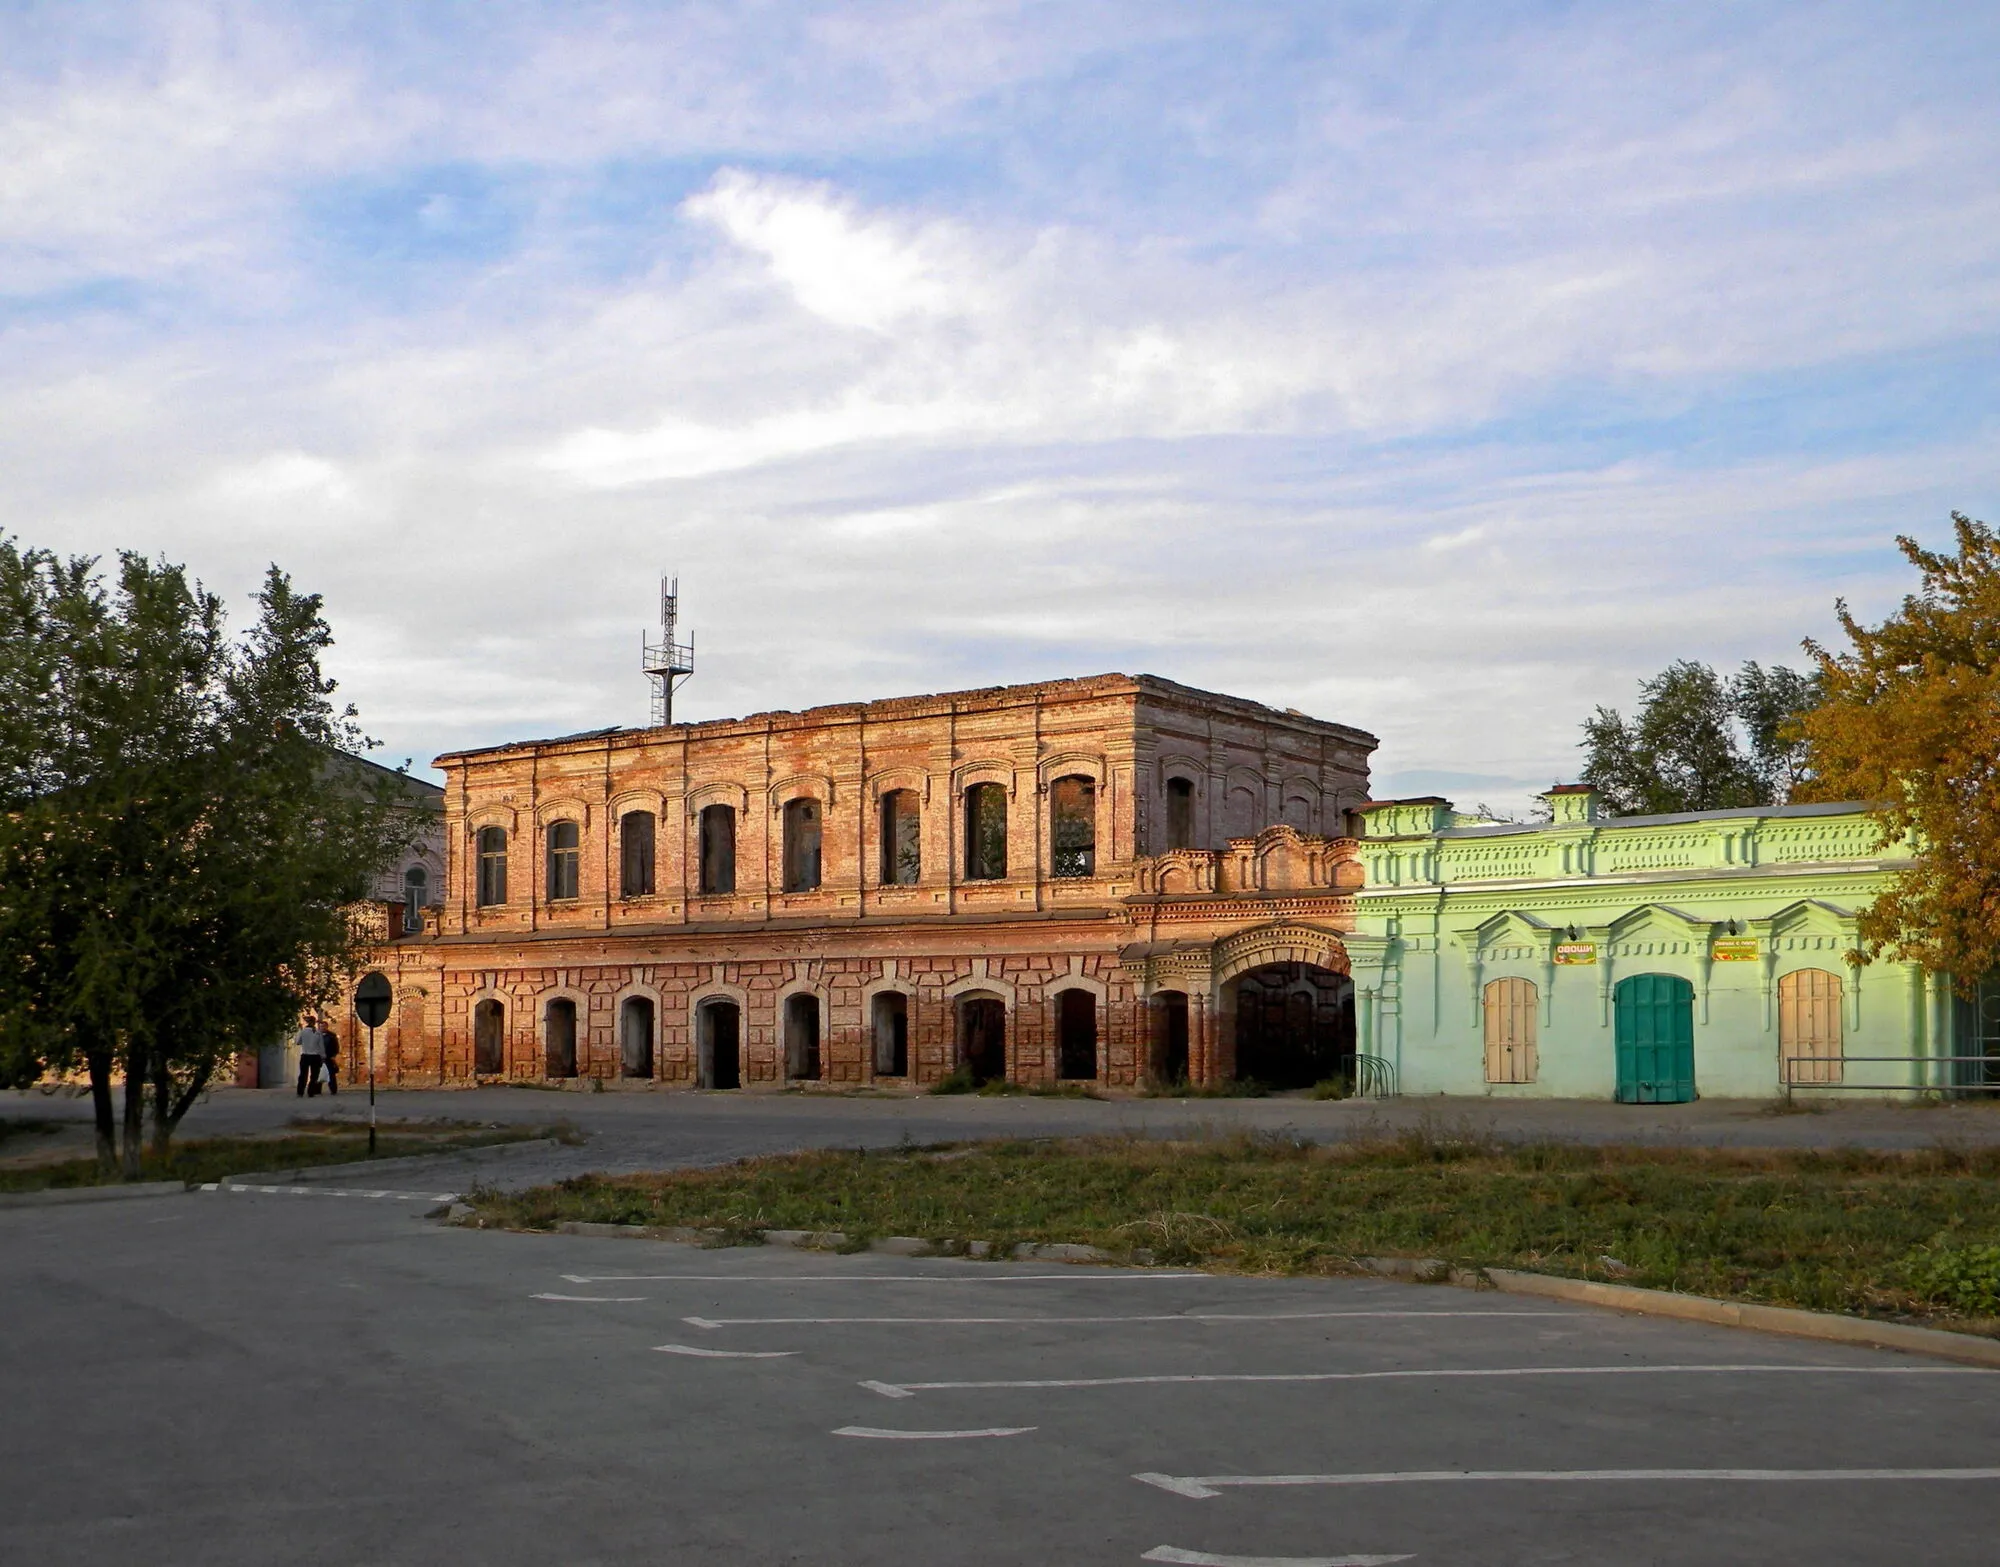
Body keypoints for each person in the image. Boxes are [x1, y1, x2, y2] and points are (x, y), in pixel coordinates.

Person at [294, 1016, 324, 1097]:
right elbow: (321, 1046)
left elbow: (298, 1042)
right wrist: (323, 1056)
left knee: (303, 1074)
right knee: (314, 1075)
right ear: (314, 1022)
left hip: (305, 1055)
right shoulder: (318, 1032)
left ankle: (300, 1091)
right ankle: (311, 1091)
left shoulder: (303, 1031)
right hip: (315, 1056)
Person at [320, 1024, 340, 1095]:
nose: (322, 1028)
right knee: (318, 1073)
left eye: (324, 1026)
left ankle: (333, 1089)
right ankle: (317, 1089)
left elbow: (336, 1046)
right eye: (321, 1026)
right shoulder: (317, 1035)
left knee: (331, 1073)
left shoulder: (331, 1036)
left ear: (327, 1027)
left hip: (329, 1056)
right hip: (319, 1057)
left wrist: (334, 1055)